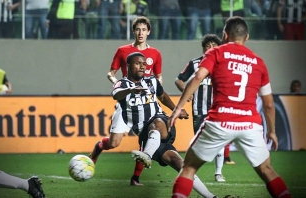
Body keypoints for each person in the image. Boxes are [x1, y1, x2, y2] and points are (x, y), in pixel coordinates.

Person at [169, 16, 291, 198]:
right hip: (250, 125)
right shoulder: (258, 62)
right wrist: (272, 131)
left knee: (189, 168)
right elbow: (268, 104)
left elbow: (197, 77)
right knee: (266, 170)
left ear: (225, 35)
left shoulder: (216, 53)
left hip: (220, 120)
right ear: (247, 37)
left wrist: (179, 106)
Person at [92, 16, 163, 186]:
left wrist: (156, 92)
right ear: (133, 31)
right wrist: (119, 85)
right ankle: (99, 147)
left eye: (144, 29)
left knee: (146, 142)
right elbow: (111, 73)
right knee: (114, 143)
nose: (141, 33)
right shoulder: (123, 51)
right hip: (127, 104)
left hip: (146, 104)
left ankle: (135, 178)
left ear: (149, 32)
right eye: (138, 29)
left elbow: (158, 76)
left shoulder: (155, 54)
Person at [175, 34, 225, 182]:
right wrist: (186, 92)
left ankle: (218, 172)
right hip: (199, 110)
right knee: (198, 143)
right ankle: (190, 171)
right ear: (203, 49)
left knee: (220, 140)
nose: (210, 49)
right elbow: (178, 80)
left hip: (217, 109)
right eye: (207, 46)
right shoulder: (195, 64)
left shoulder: (223, 63)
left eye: (214, 46)